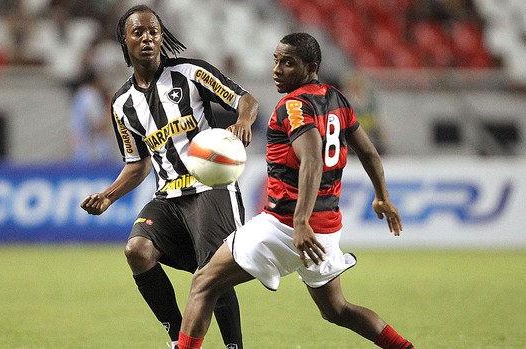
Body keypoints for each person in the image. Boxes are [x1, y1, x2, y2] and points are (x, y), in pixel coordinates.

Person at [176, 33, 414, 349]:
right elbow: (369, 153)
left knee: (204, 283)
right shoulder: (337, 99)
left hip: (286, 225)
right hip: (326, 231)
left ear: (311, 66)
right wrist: (382, 196)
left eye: (288, 63)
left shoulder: (293, 107)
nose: (277, 69)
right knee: (337, 309)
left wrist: (300, 221)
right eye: (276, 60)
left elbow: (312, 161)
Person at [79, 4, 258, 349]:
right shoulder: (121, 104)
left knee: (212, 271)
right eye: (138, 32)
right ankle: (179, 337)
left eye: (153, 32)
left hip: (212, 186)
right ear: (124, 41)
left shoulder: (191, 73)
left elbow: (245, 99)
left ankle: (235, 346)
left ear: (162, 38)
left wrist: (244, 121)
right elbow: (137, 163)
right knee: (137, 250)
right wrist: (108, 195)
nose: (147, 38)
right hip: (167, 196)